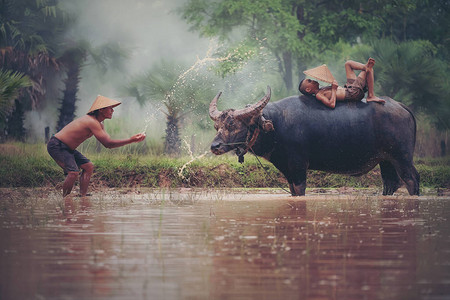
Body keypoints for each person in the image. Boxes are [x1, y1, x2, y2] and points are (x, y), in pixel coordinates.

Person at [47, 95, 146, 197]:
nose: (112, 111)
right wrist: (131, 140)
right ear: (102, 110)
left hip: (68, 149)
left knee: (88, 166)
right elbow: (108, 144)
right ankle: (65, 200)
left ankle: (83, 196)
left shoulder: (99, 124)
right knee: (73, 172)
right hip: (57, 145)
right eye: (110, 108)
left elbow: (108, 142)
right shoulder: (91, 121)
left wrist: (131, 140)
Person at [298, 58, 385, 108]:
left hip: (349, 88)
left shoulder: (322, 89)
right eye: (309, 81)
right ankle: (371, 96)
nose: (312, 80)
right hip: (353, 93)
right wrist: (334, 89)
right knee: (368, 70)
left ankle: (365, 66)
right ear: (308, 89)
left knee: (348, 64)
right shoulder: (319, 95)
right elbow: (331, 104)